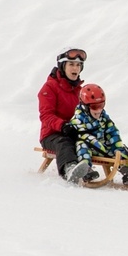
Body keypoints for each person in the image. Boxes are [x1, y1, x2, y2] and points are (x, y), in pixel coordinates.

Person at [38, 47, 87, 179]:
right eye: (71, 64)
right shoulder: (49, 87)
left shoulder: (80, 91)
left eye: (78, 65)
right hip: (52, 135)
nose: (75, 68)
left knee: (103, 141)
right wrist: (63, 126)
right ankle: (69, 169)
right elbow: (46, 116)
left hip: (74, 132)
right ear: (62, 66)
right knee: (64, 143)